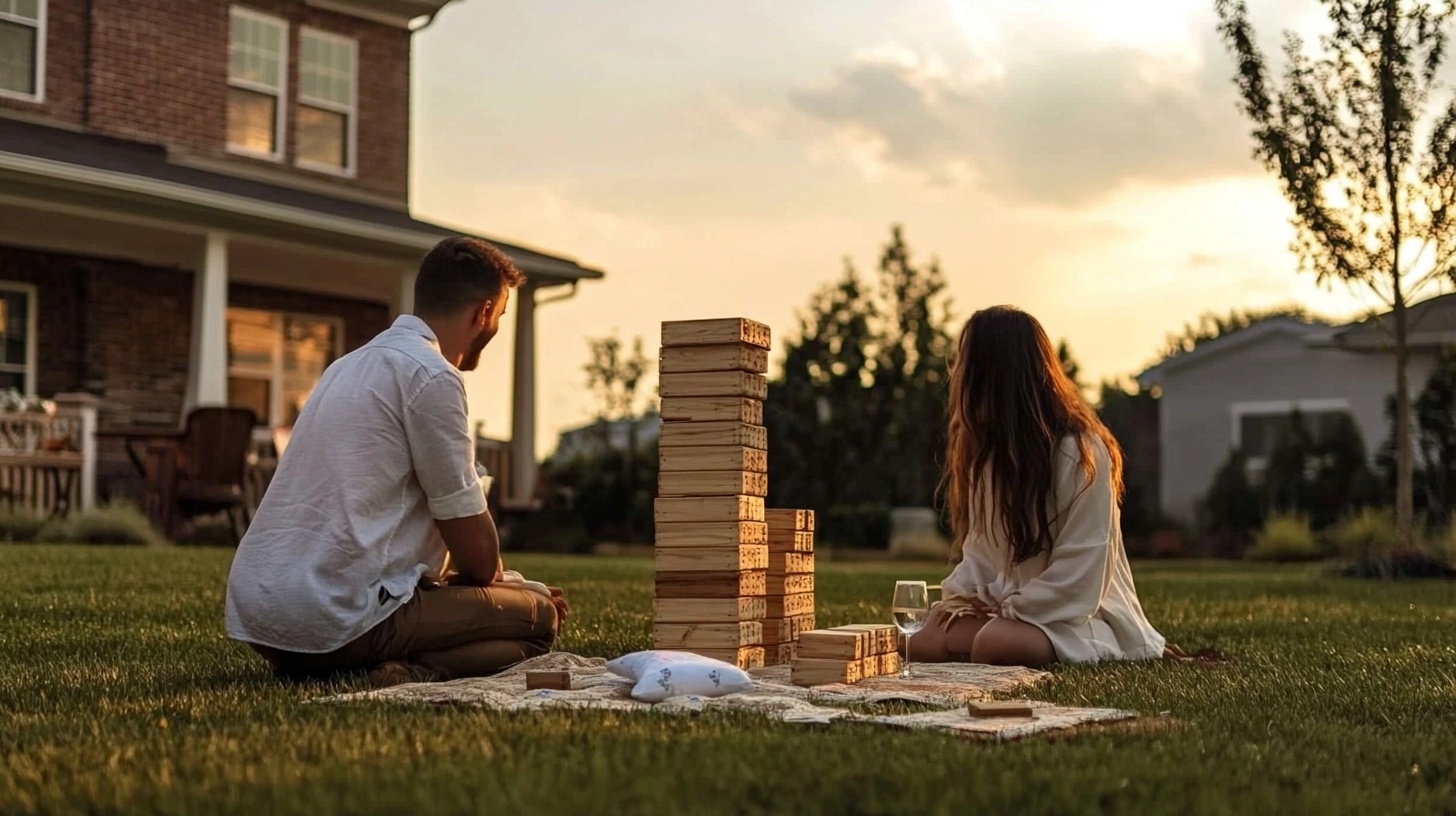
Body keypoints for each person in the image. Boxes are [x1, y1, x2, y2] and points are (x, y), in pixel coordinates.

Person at [224, 236, 567, 688]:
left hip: (265, 617)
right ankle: (409, 673)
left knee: (515, 597)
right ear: (483, 312)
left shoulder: (345, 367)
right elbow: (478, 560)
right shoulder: (432, 375)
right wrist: (520, 593)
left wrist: (508, 584)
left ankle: (342, 661)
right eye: (500, 315)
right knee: (539, 620)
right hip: (336, 613)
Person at [908, 305, 1166, 668]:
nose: (956, 373)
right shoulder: (990, 458)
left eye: (964, 361)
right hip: (1010, 611)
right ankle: (979, 638)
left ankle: (990, 642)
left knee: (995, 643)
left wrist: (1013, 608)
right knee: (922, 637)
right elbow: (981, 554)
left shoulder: (1080, 453)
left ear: (992, 374)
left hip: (1076, 617)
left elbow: (1083, 571)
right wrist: (958, 600)